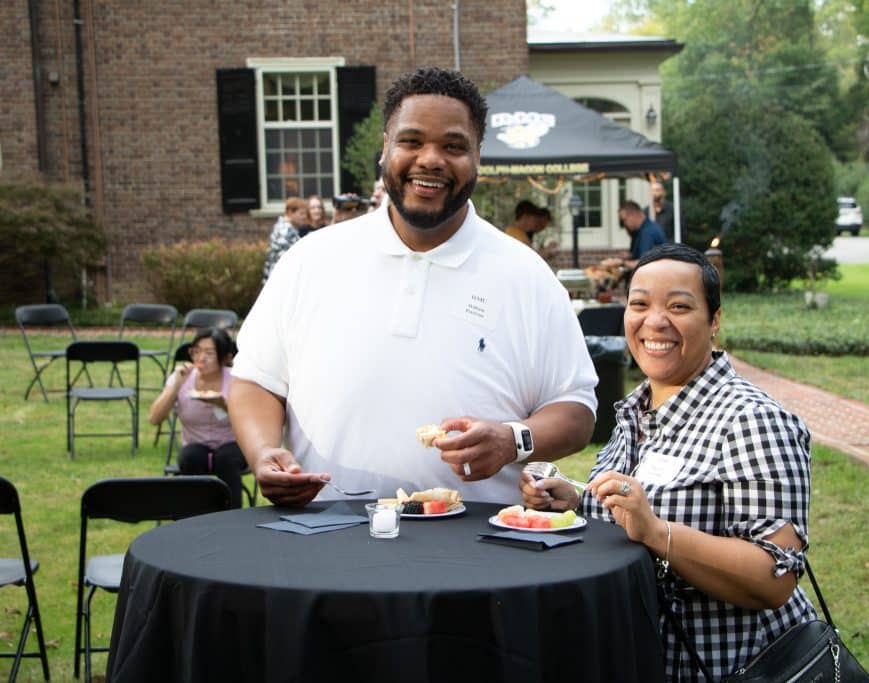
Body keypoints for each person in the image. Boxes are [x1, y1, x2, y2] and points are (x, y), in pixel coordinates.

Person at [229, 67, 598, 507]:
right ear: (385, 149)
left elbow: (576, 410)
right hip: (325, 531)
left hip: (477, 544)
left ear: (478, 156)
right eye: (412, 141)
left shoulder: (526, 276)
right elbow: (256, 380)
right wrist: (263, 451)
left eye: (453, 146)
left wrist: (511, 440)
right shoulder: (311, 260)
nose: (431, 159)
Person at [521, 243, 817, 681]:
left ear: (714, 321)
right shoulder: (637, 412)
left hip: (730, 668)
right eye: (639, 304)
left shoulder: (753, 420)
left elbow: (774, 578)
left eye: (679, 306)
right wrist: (576, 501)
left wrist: (659, 533)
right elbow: (647, 503)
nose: (654, 321)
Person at [148, 328, 248, 508]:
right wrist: (176, 385)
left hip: (233, 443)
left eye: (209, 353)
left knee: (227, 459)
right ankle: (193, 516)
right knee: (189, 457)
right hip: (196, 443)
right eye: (197, 351)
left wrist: (223, 405)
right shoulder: (182, 377)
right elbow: (155, 418)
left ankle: (231, 518)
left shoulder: (236, 380)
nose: (201, 358)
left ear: (225, 357)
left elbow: (249, 422)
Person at [262, 196, 306, 283]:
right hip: (280, 280)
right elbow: (290, 260)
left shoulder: (283, 226)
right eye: (301, 214)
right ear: (290, 212)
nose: (304, 217)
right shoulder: (285, 231)